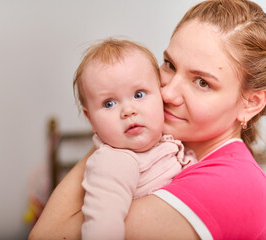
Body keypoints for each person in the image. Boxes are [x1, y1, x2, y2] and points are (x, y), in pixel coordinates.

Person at [29, 0, 266, 239]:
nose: (168, 92)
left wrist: (112, 141)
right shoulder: (165, 151)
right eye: (169, 65)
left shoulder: (238, 186)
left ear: (250, 103)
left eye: (202, 82)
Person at [72, 38, 196, 240]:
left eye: (139, 94)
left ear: (161, 96)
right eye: (109, 103)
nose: (128, 111)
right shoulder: (114, 161)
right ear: (90, 119)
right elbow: (103, 227)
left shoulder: (167, 142)